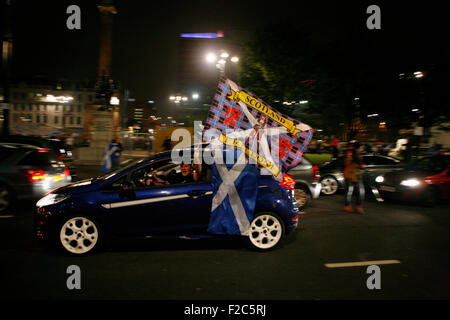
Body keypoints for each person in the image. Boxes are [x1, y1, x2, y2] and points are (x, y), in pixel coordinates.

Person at [343, 141, 366, 214]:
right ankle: (355, 206)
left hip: (352, 174)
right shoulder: (354, 153)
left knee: (352, 191)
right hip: (352, 175)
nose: (362, 148)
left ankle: (350, 206)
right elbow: (358, 163)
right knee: (358, 192)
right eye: (361, 147)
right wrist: (362, 165)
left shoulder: (350, 153)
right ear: (359, 147)